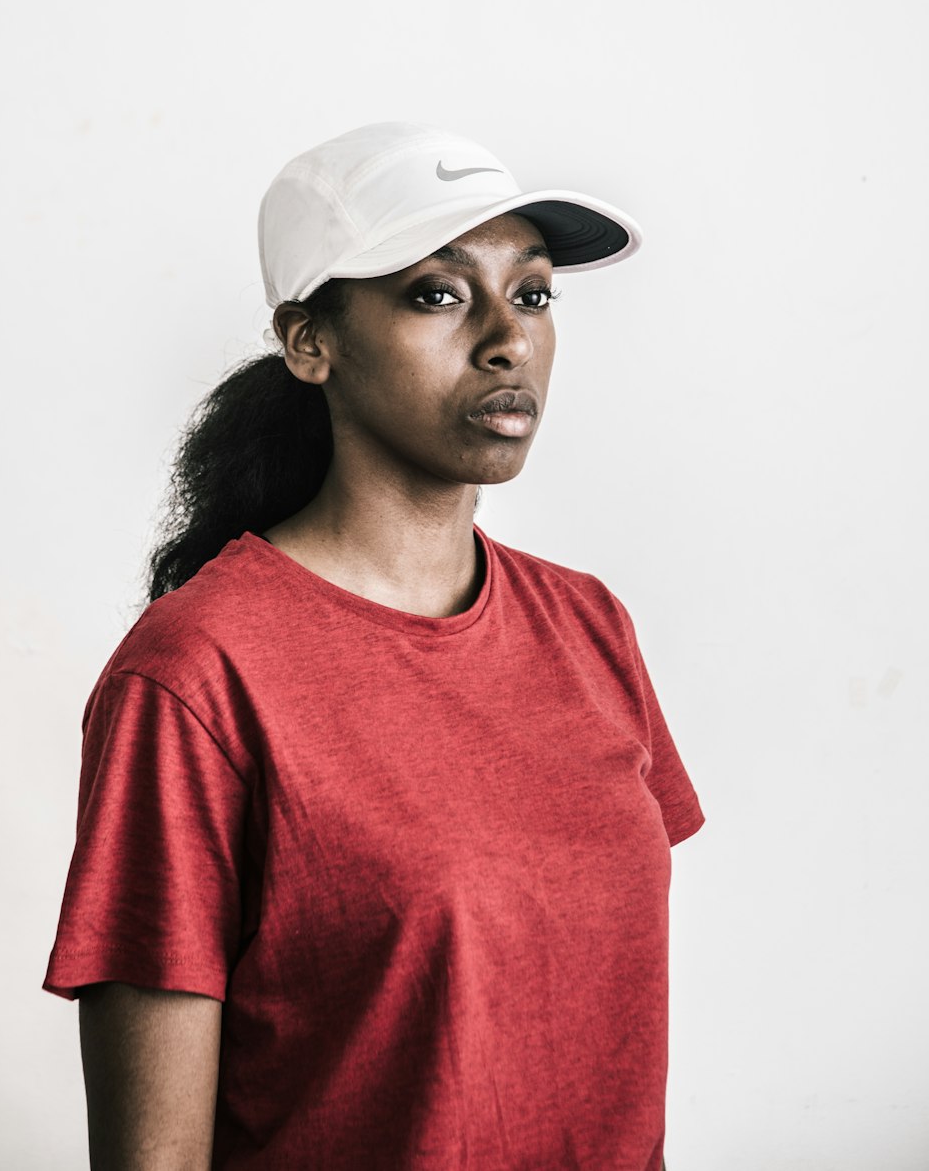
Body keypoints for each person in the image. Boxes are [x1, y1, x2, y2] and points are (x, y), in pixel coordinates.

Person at [42, 120, 704, 1171]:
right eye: (438, 294)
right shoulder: (199, 675)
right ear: (310, 341)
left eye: (530, 294)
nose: (506, 340)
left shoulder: (588, 628)